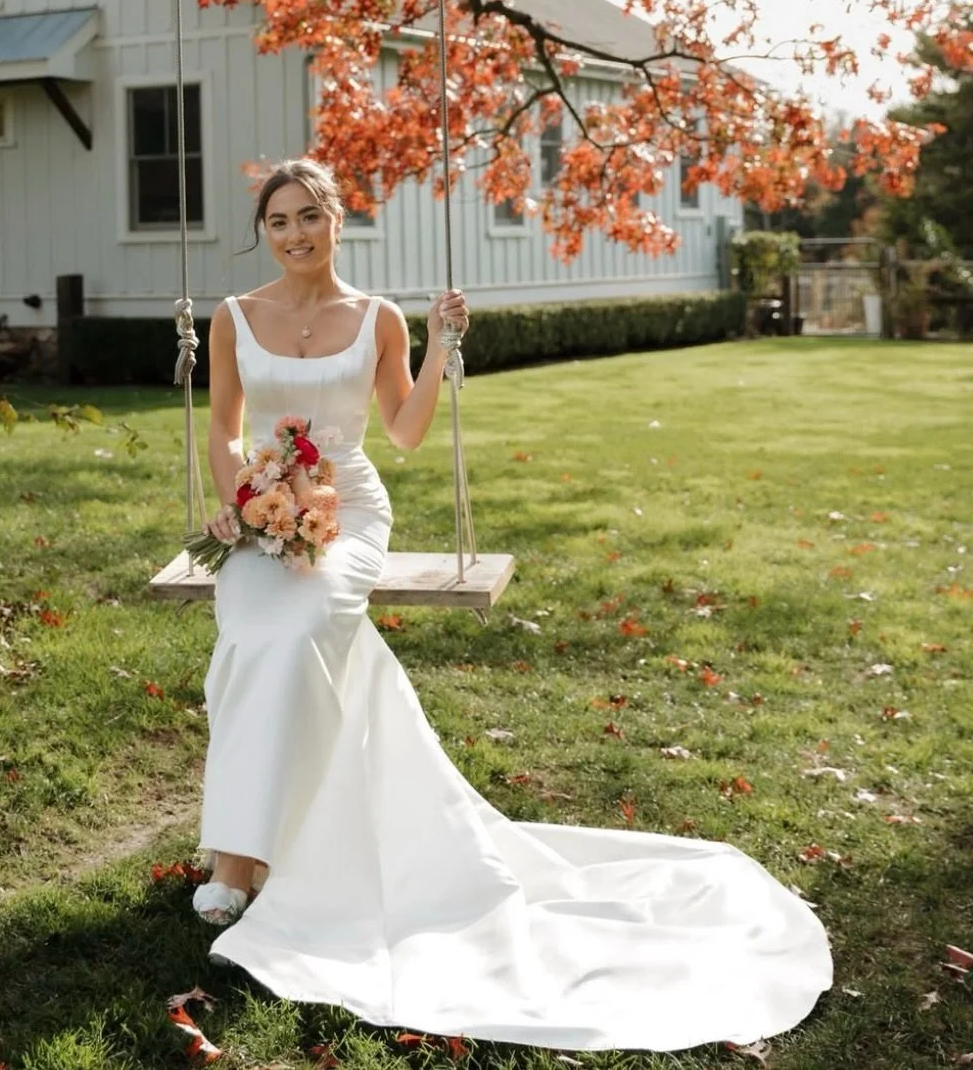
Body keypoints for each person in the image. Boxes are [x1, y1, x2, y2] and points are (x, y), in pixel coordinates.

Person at [192, 157, 832, 1053]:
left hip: (351, 511)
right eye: (278, 221)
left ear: (339, 219)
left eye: (310, 216)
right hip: (264, 505)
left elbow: (407, 431)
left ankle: (239, 860)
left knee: (298, 629)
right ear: (264, 230)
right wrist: (242, 497)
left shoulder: (374, 318)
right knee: (255, 627)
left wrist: (440, 343)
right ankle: (256, 837)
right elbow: (223, 427)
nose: (294, 233)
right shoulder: (233, 317)